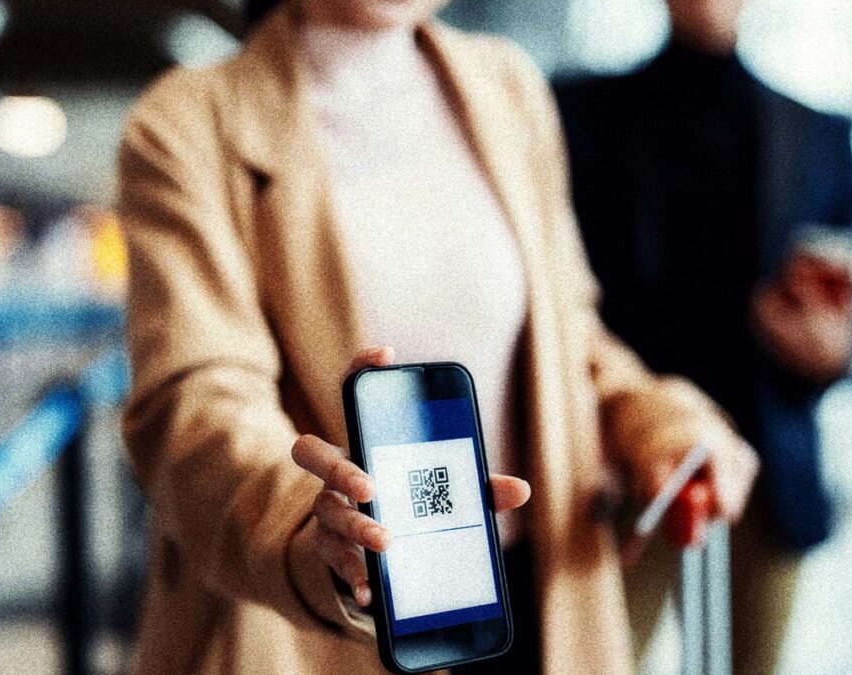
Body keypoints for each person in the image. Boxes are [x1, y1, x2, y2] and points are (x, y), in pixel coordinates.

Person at [117, 0, 760, 673]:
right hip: (324, 619)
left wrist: (665, 423)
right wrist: (313, 527)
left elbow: (571, 335)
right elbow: (196, 402)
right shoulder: (187, 123)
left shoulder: (507, 87)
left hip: (534, 592)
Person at [556, 0, 852, 672]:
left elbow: (845, 305)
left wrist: (827, 348)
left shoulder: (818, 134)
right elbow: (563, 297)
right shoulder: (582, 114)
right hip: (625, 460)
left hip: (766, 465)